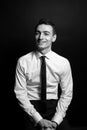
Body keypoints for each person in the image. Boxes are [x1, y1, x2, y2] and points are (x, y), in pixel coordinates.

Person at [14, 18, 73, 130]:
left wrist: (56, 120)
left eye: (46, 34)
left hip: (54, 108)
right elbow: (20, 93)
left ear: (53, 38)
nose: (41, 37)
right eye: (38, 33)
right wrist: (38, 119)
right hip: (30, 108)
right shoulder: (23, 61)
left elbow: (67, 93)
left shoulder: (63, 62)